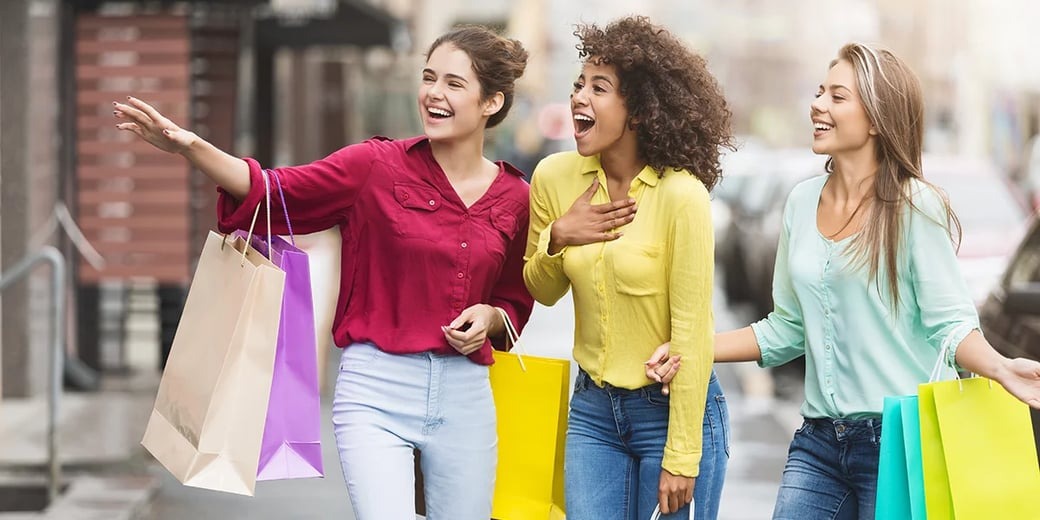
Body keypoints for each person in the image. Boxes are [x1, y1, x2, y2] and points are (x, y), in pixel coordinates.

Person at [114, 26, 534, 520]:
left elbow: (514, 299)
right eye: (428, 77)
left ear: (491, 103)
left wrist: (490, 317)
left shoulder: (516, 197)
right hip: (376, 391)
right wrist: (190, 147)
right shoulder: (374, 166)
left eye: (454, 83)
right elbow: (271, 190)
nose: (433, 93)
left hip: (466, 397)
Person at [648, 42, 1040, 518]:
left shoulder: (915, 206)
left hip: (900, 444)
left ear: (875, 117)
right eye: (819, 92)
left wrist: (1000, 367)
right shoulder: (800, 201)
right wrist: (693, 348)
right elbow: (788, 328)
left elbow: (951, 324)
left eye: (837, 96)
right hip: (819, 442)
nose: (818, 105)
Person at [523, 16, 734, 520]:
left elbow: (692, 331)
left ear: (639, 111)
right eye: (578, 84)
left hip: (670, 411)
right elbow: (541, 290)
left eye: (599, 88)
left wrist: (682, 455)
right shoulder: (554, 177)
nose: (579, 97)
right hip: (593, 412)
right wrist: (559, 237)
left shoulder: (681, 195)